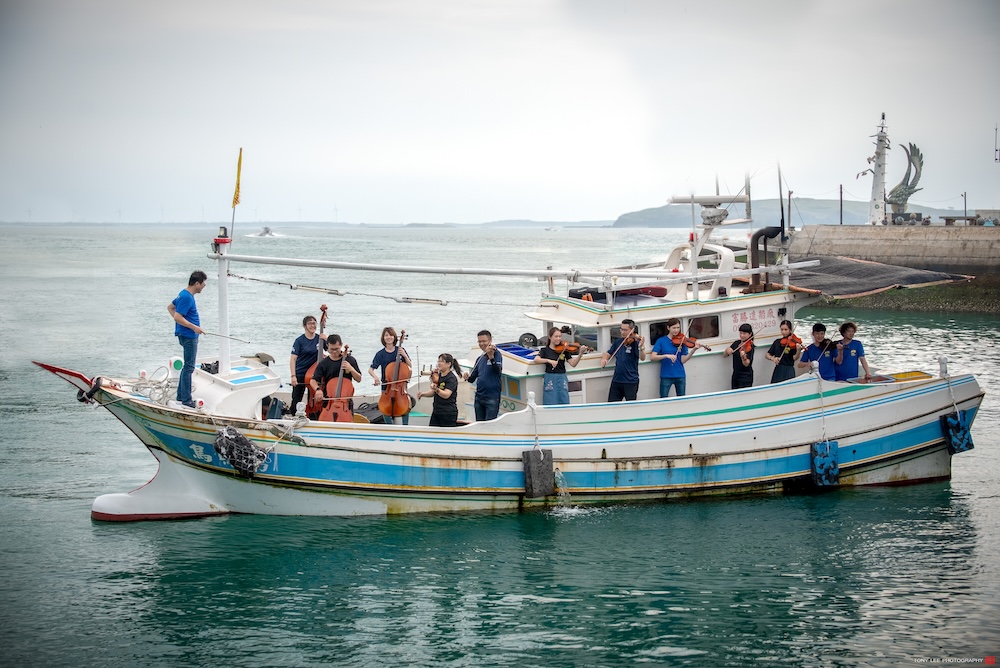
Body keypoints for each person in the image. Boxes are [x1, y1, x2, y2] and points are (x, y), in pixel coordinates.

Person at [167, 270, 207, 408]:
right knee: (189, 367)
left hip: (187, 334)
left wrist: (182, 325)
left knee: (187, 366)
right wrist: (192, 327)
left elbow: (170, 307)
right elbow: (177, 315)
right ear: (196, 283)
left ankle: (180, 395)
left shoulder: (183, 294)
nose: (204, 286)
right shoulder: (187, 297)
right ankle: (186, 399)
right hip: (189, 336)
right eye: (203, 283)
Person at [310, 334, 362, 420]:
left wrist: (351, 369)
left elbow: (359, 379)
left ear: (341, 345)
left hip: (346, 403)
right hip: (329, 401)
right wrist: (317, 390)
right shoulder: (324, 363)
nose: (334, 352)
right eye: (332, 349)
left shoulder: (350, 360)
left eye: (337, 349)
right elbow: (313, 380)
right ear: (327, 346)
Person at [369, 326, 413, 424]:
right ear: (383, 338)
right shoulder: (380, 354)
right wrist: (375, 377)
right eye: (386, 335)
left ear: (394, 337)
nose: (388, 337)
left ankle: (405, 427)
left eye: (391, 335)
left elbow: (410, 366)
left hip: (401, 385)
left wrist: (405, 355)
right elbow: (371, 369)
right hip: (387, 385)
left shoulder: (401, 350)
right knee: (385, 409)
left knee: (405, 407)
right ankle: (389, 427)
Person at [532, 326, 586, 405]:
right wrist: (548, 360)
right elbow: (536, 359)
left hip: (562, 377)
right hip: (550, 377)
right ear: (550, 337)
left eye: (560, 336)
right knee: (550, 400)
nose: (558, 339)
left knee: (563, 400)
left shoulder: (564, 350)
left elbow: (573, 364)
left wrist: (580, 354)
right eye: (556, 336)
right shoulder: (545, 350)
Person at [601, 319, 645, 402]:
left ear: (632, 330)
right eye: (621, 329)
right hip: (617, 380)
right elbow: (608, 353)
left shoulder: (636, 343)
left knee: (630, 407)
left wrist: (641, 347)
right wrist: (604, 359)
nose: (622, 332)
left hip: (630, 381)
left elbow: (642, 357)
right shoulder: (618, 342)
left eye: (625, 330)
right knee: (612, 405)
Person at [463, 330, 503, 421]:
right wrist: (467, 377)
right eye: (479, 341)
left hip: (492, 397)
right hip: (479, 397)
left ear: (490, 341)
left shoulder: (497, 354)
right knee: (479, 424)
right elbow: (472, 378)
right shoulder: (480, 358)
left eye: (484, 341)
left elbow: (498, 371)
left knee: (489, 425)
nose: (482, 344)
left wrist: (491, 357)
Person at [288, 315, 323, 415]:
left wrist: (326, 339)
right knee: (296, 399)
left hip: (314, 374)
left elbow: (332, 350)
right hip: (301, 373)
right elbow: (293, 359)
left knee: (312, 398)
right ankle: (293, 415)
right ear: (305, 326)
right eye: (309, 323)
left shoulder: (319, 339)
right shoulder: (299, 341)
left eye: (314, 323)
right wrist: (293, 376)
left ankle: (313, 415)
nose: (312, 325)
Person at [650, 318, 691, 397]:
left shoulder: (682, 341)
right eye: (674, 328)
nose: (676, 330)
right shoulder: (661, 341)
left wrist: (693, 351)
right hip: (666, 375)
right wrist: (666, 355)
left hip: (680, 375)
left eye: (678, 328)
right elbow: (653, 357)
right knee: (664, 399)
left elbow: (683, 360)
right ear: (668, 328)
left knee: (682, 399)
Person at [417, 353, 462, 427]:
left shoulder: (451, 378)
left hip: (448, 412)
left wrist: (436, 389)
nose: (439, 363)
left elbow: (446, 395)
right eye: (438, 361)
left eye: (441, 361)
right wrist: (423, 394)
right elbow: (433, 392)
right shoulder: (438, 376)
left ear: (448, 364)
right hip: (436, 411)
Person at [764, 320, 803, 384]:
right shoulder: (777, 342)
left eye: (785, 329)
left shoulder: (793, 342)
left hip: (789, 369)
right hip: (778, 369)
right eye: (782, 329)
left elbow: (795, 358)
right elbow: (767, 354)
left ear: (790, 330)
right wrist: (773, 358)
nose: (783, 332)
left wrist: (798, 350)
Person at [723, 323, 755, 389]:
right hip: (735, 375)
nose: (742, 335)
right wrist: (727, 350)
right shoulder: (736, 343)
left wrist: (743, 357)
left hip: (745, 377)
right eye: (740, 333)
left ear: (750, 334)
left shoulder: (751, 346)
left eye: (744, 333)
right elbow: (724, 355)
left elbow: (746, 364)